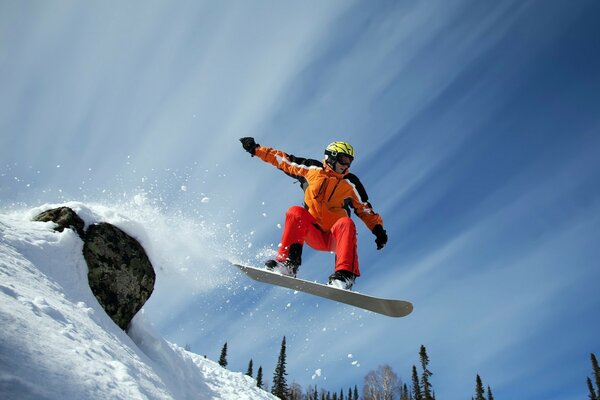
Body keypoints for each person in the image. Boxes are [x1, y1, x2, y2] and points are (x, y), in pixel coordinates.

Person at [239, 137, 387, 290]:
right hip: (313, 233)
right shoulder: (311, 169)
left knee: (346, 223)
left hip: (336, 237)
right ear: (331, 156)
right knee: (295, 211)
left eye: (349, 161)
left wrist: (378, 230)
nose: (346, 165)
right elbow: (283, 160)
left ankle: (344, 276)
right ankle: (288, 264)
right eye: (343, 159)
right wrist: (255, 149)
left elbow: (364, 208)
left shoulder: (351, 183)